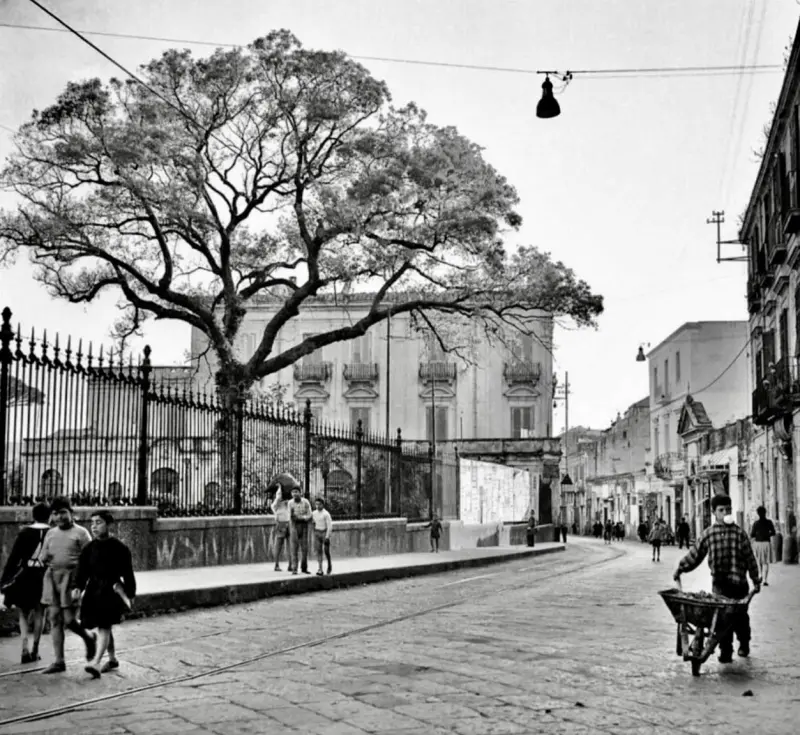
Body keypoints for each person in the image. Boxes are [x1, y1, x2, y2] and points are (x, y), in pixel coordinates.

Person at [674, 494, 761, 663]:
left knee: (740, 617)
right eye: (721, 510)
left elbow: (750, 559)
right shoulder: (709, 534)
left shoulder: (740, 534)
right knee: (721, 621)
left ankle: (744, 643)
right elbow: (695, 555)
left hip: (739, 584)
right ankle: (725, 650)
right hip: (720, 585)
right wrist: (680, 568)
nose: (725, 513)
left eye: (728, 509)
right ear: (714, 512)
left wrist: (755, 579)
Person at [75, 510, 136, 678]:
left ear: (109, 525)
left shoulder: (120, 548)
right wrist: (78, 587)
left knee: (104, 625)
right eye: (92, 522)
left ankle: (96, 662)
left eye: (99, 522)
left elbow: (128, 573)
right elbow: (82, 571)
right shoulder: (89, 548)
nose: (94, 526)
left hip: (111, 590)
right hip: (94, 591)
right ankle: (113, 658)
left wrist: (130, 592)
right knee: (104, 625)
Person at [39, 497, 96, 674]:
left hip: (72, 581)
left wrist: (81, 584)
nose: (59, 517)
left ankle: (88, 637)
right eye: (55, 513)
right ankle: (59, 661)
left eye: (63, 512)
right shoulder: (50, 533)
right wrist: (44, 558)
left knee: (70, 620)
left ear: (71, 513)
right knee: (54, 619)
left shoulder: (81, 533)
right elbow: (44, 554)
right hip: (52, 578)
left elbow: (90, 558)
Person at [0, 502, 50, 664]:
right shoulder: (53, 532)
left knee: (23, 613)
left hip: (26, 576)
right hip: (44, 576)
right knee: (40, 613)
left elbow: (14, 559)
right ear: (49, 516)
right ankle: (35, 650)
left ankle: (24, 649)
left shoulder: (24, 533)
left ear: (33, 515)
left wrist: (4, 580)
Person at [268, 473, 297, 572]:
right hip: (284, 522)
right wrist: (280, 488)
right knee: (285, 544)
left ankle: (284, 564)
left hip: (284, 522)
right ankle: (283, 564)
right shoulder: (279, 502)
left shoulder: (282, 502)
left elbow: (278, 498)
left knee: (283, 544)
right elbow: (278, 496)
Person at [288, 486, 313, 575]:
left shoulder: (305, 502)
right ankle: (294, 568)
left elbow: (310, 514)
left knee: (304, 548)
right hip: (294, 526)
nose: (294, 494)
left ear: (300, 492)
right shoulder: (290, 503)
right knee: (294, 548)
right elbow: (290, 516)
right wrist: (293, 516)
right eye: (293, 492)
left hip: (304, 526)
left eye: (296, 492)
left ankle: (304, 567)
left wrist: (302, 518)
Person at [749, 506, 776, 587]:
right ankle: (765, 580)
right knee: (766, 562)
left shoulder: (756, 523)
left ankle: (760, 576)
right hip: (766, 543)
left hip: (758, 544)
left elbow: (752, 534)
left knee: (759, 562)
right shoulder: (769, 522)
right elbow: (773, 532)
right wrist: (767, 534)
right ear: (765, 513)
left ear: (758, 513)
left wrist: (758, 535)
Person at [311, 497, 333, 575]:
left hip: (324, 532)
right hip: (317, 532)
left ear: (323, 505)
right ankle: (320, 568)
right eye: (316, 504)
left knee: (326, 551)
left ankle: (329, 564)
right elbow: (312, 522)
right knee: (318, 551)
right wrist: (314, 531)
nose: (318, 506)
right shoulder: (313, 513)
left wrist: (327, 536)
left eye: (319, 504)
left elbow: (329, 526)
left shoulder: (326, 514)